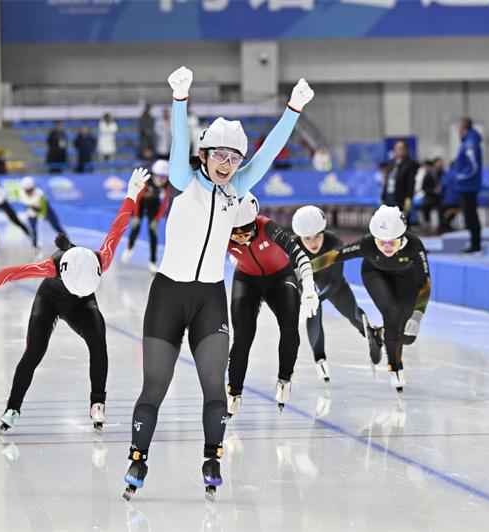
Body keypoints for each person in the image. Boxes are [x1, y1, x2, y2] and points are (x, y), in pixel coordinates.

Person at [122, 66, 313, 502]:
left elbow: (269, 153)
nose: (227, 165)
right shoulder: (183, 180)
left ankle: (213, 456)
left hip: (210, 298)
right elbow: (177, 146)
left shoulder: (239, 187)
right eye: (219, 156)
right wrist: (180, 100)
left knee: (215, 386)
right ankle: (137, 458)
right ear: (204, 154)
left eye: (234, 158)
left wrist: (293, 110)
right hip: (168, 296)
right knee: (155, 386)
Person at [0, 168, 151, 434]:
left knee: (98, 344)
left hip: (82, 305)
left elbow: (121, 223)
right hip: (50, 300)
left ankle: (97, 403)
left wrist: (131, 195)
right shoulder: (51, 266)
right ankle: (13, 407)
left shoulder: (103, 257)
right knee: (33, 353)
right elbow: (7, 274)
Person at [309, 205, 431, 393]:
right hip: (375, 275)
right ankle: (395, 368)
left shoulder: (415, 245)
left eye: (392, 243)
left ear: (403, 238)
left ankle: (380, 335)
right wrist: (302, 269)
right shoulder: (368, 244)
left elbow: (425, 283)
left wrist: (417, 315)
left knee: (406, 336)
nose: (387, 248)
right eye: (381, 243)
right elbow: (334, 256)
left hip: (407, 279)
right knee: (392, 314)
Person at [225, 192, 318, 416]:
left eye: (245, 233)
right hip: (246, 281)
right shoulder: (221, 231)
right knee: (242, 338)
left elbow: (300, 255)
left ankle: (285, 378)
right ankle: (233, 392)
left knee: (289, 330)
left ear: (254, 224)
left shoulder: (267, 226)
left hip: (280, 279)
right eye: (234, 236)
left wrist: (309, 286)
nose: (240, 239)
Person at [290, 205, 380, 383]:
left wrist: (319, 298)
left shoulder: (333, 242)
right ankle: (319, 357)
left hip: (330, 281)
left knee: (352, 314)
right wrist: (305, 298)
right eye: (307, 238)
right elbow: (292, 279)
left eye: (317, 236)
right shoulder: (292, 246)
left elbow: (335, 281)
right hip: (304, 280)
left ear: (324, 231)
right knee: (312, 310)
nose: (313, 243)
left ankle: (371, 333)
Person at [121, 159, 171, 273]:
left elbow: (164, 203)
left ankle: (152, 262)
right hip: (140, 203)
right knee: (135, 228)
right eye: (159, 176)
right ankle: (129, 248)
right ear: (153, 174)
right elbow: (137, 199)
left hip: (154, 205)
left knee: (153, 233)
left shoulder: (168, 184)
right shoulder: (146, 180)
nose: (161, 180)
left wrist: (157, 219)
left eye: (164, 177)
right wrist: (137, 216)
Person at [452, 117, 483, 253]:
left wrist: (460, 176)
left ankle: (475, 244)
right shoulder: (467, 141)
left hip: (468, 186)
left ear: (463, 127)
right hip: (466, 185)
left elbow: (473, 166)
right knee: (469, 215)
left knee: (471, 215)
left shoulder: (470, 142)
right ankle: (474, 242)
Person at [0, 176, 33, 250]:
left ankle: (31, 236)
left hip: (2, 203)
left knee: (16, 220)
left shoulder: (1, 193)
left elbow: (2, 201)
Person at [19, 176, 66, 252]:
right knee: (33, 228)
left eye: (30, 190)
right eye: (26, 190)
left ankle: (66, 240)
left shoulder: (40, 194)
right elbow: (29, 206)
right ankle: (34, 245)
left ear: (33, 188)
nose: (28, 192)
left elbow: (43, 209)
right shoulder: (22, 193)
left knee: (56, 225)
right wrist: (34, 208)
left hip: (45, 209)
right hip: (32, 210)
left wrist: (42, 214)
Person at [381, 140, 418, 215]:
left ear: (406, 150)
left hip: (401, 198)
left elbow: (411, 183)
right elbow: (387, 180)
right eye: (396, 148)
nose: (398, 151)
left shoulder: (410, 164)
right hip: (389, 196)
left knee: (401, 223)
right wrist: (383, 196)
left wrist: (409, 198)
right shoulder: (391, 162)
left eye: (401, 148)